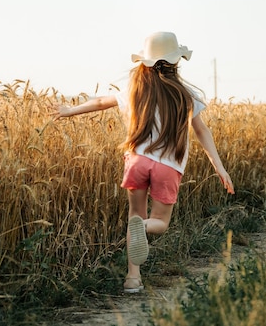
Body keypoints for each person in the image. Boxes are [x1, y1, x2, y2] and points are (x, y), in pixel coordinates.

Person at [50, 32, 234, 293]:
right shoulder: (187, 93)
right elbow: (202, 130)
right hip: (168, 166)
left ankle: (132, 279)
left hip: (136, 161)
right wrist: (219, 165)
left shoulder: (133, 89)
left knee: (134, 215)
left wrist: (70, 111)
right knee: (159, 222)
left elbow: (102, 102)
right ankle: (145, 228)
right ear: (176, 62)